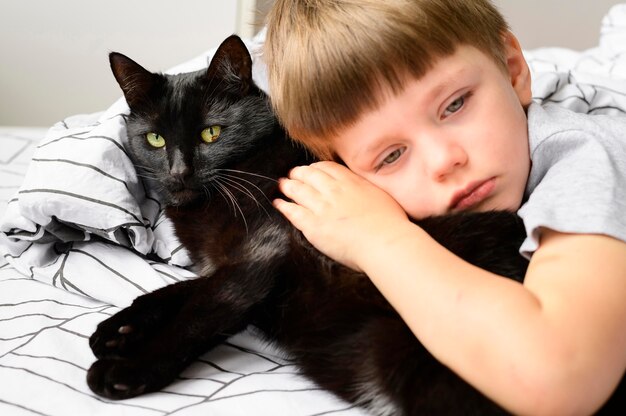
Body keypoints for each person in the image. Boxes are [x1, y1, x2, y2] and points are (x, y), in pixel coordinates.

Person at [264, 0, 626, 414]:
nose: (443, 160)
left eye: (455, 105)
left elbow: (560, 377)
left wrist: (378, 239)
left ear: (513, 69)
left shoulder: (586, 156)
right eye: (391, 156)